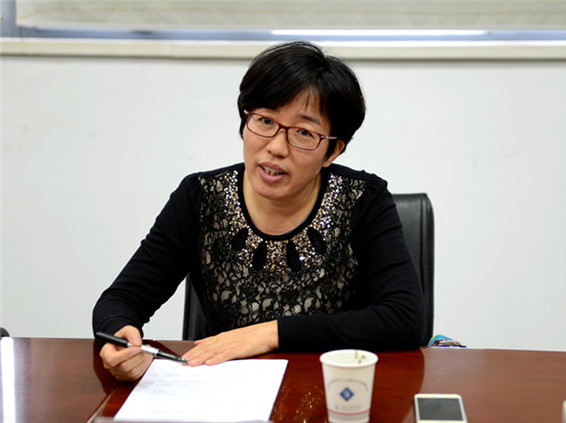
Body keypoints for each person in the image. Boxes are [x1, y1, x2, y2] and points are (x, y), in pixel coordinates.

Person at [93, 41, 424, 381]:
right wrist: (120, 337)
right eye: (264, 120)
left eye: (303, 132)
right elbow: (122, 299)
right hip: (225, 392)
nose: (276, 147)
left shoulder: (362, 200)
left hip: (333, 389)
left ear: (333, 151)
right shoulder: (201, 198)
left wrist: (270, 333)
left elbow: (404, 318)